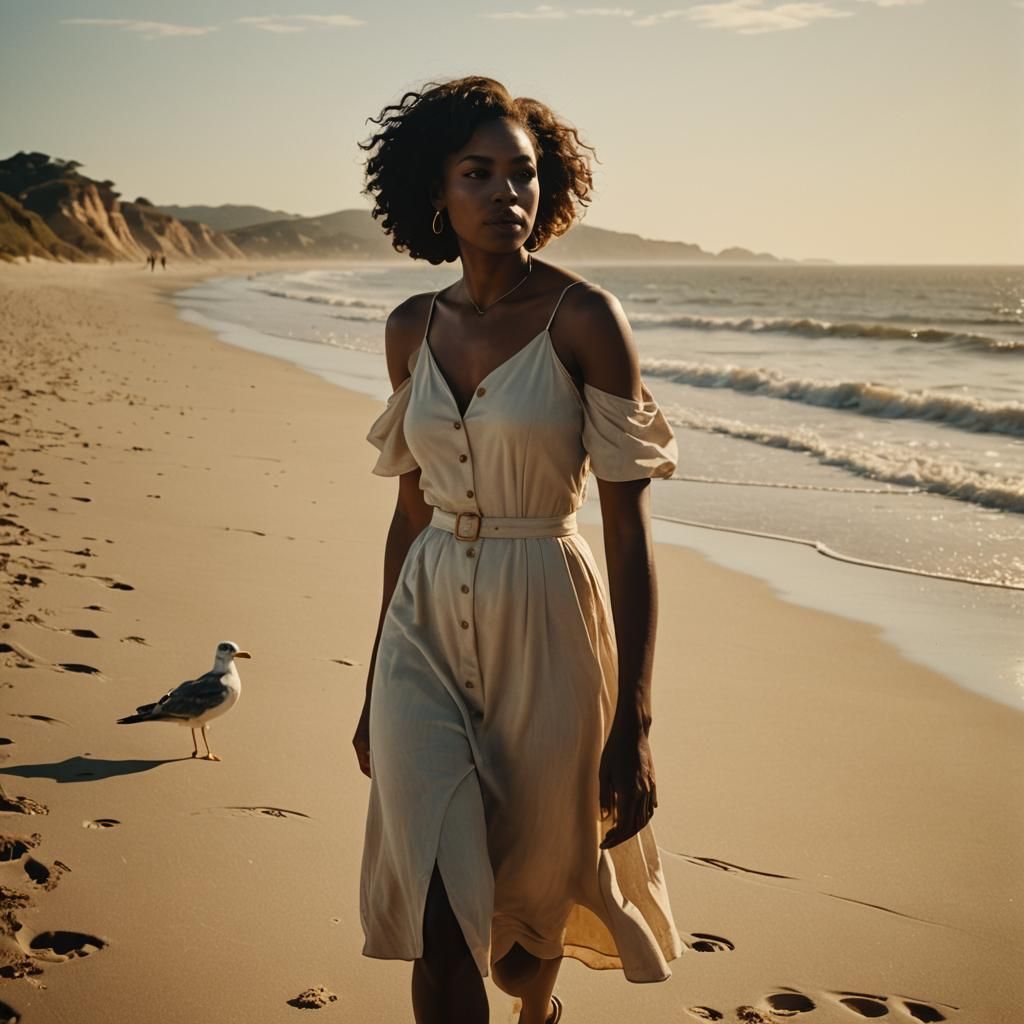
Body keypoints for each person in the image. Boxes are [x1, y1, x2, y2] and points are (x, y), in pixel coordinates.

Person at [353, 76, 682, 1024]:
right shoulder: (411, 328)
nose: (508, 194)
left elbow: (628, 528)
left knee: (527, 932)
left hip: (548, 619)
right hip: (422, 631)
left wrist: (638, 723)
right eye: (479, 172)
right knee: (440, 915)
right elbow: (410, 512)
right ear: (436, 192)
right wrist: (374, 674)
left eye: (525, 174)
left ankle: (538, 1009)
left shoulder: (586, 320)